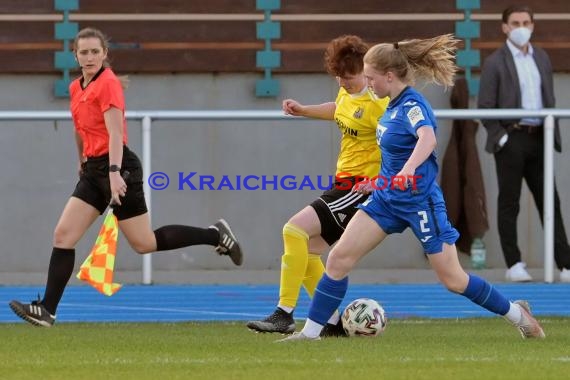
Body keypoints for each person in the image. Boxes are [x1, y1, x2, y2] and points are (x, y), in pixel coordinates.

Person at [280, 34, 545, 341]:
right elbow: (391, 154)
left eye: (371, 78)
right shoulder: (387, 105)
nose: (368, 84)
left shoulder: (413, 105)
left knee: (454, 279)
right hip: (386, 199)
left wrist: (407, 170)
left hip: (420, 202)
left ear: (389, 77)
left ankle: (518, 314)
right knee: (338, 258)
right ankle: (310, 334)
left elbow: (427, 139)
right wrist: (380, 181)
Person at [9, 27, 243, 327]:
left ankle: (215, 235)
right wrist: (82, 161)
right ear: (75, 56)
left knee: (144, 243)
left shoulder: (108, 84)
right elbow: (80, 129)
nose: (90, 56)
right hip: (93, 170)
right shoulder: (75, 87)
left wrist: (115, 173)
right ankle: (47, 310)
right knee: (63, 236)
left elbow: (116, 133)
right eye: (84, 52)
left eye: (96, 51)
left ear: (105, 54)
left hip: (118, 168)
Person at [246, 35, 388, 336]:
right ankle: (333, 322)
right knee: (309, 251)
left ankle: (284, 312)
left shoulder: (379, 104)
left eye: (348, 78)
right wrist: (303, 110)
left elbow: (400, 144)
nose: (343, 83)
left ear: (365, 71)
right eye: (339, 77)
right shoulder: (346, 93)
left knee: (293, 229)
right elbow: (338, 110)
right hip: (343, 184)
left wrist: (380, 182)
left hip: (358, 188)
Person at [478, 5, 570, 283]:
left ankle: (565, 264)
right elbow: (485, 107)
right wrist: (502, 138)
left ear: (533, 25)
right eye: (515, 22)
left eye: (526, 22)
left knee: (550, 201)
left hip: (540, 135)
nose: (521, 27)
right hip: (511, 138)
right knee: (509, 202)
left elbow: (547, 98)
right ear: (505, 27)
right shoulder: (495, 62)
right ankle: (514, 263)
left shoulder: (540, 57)